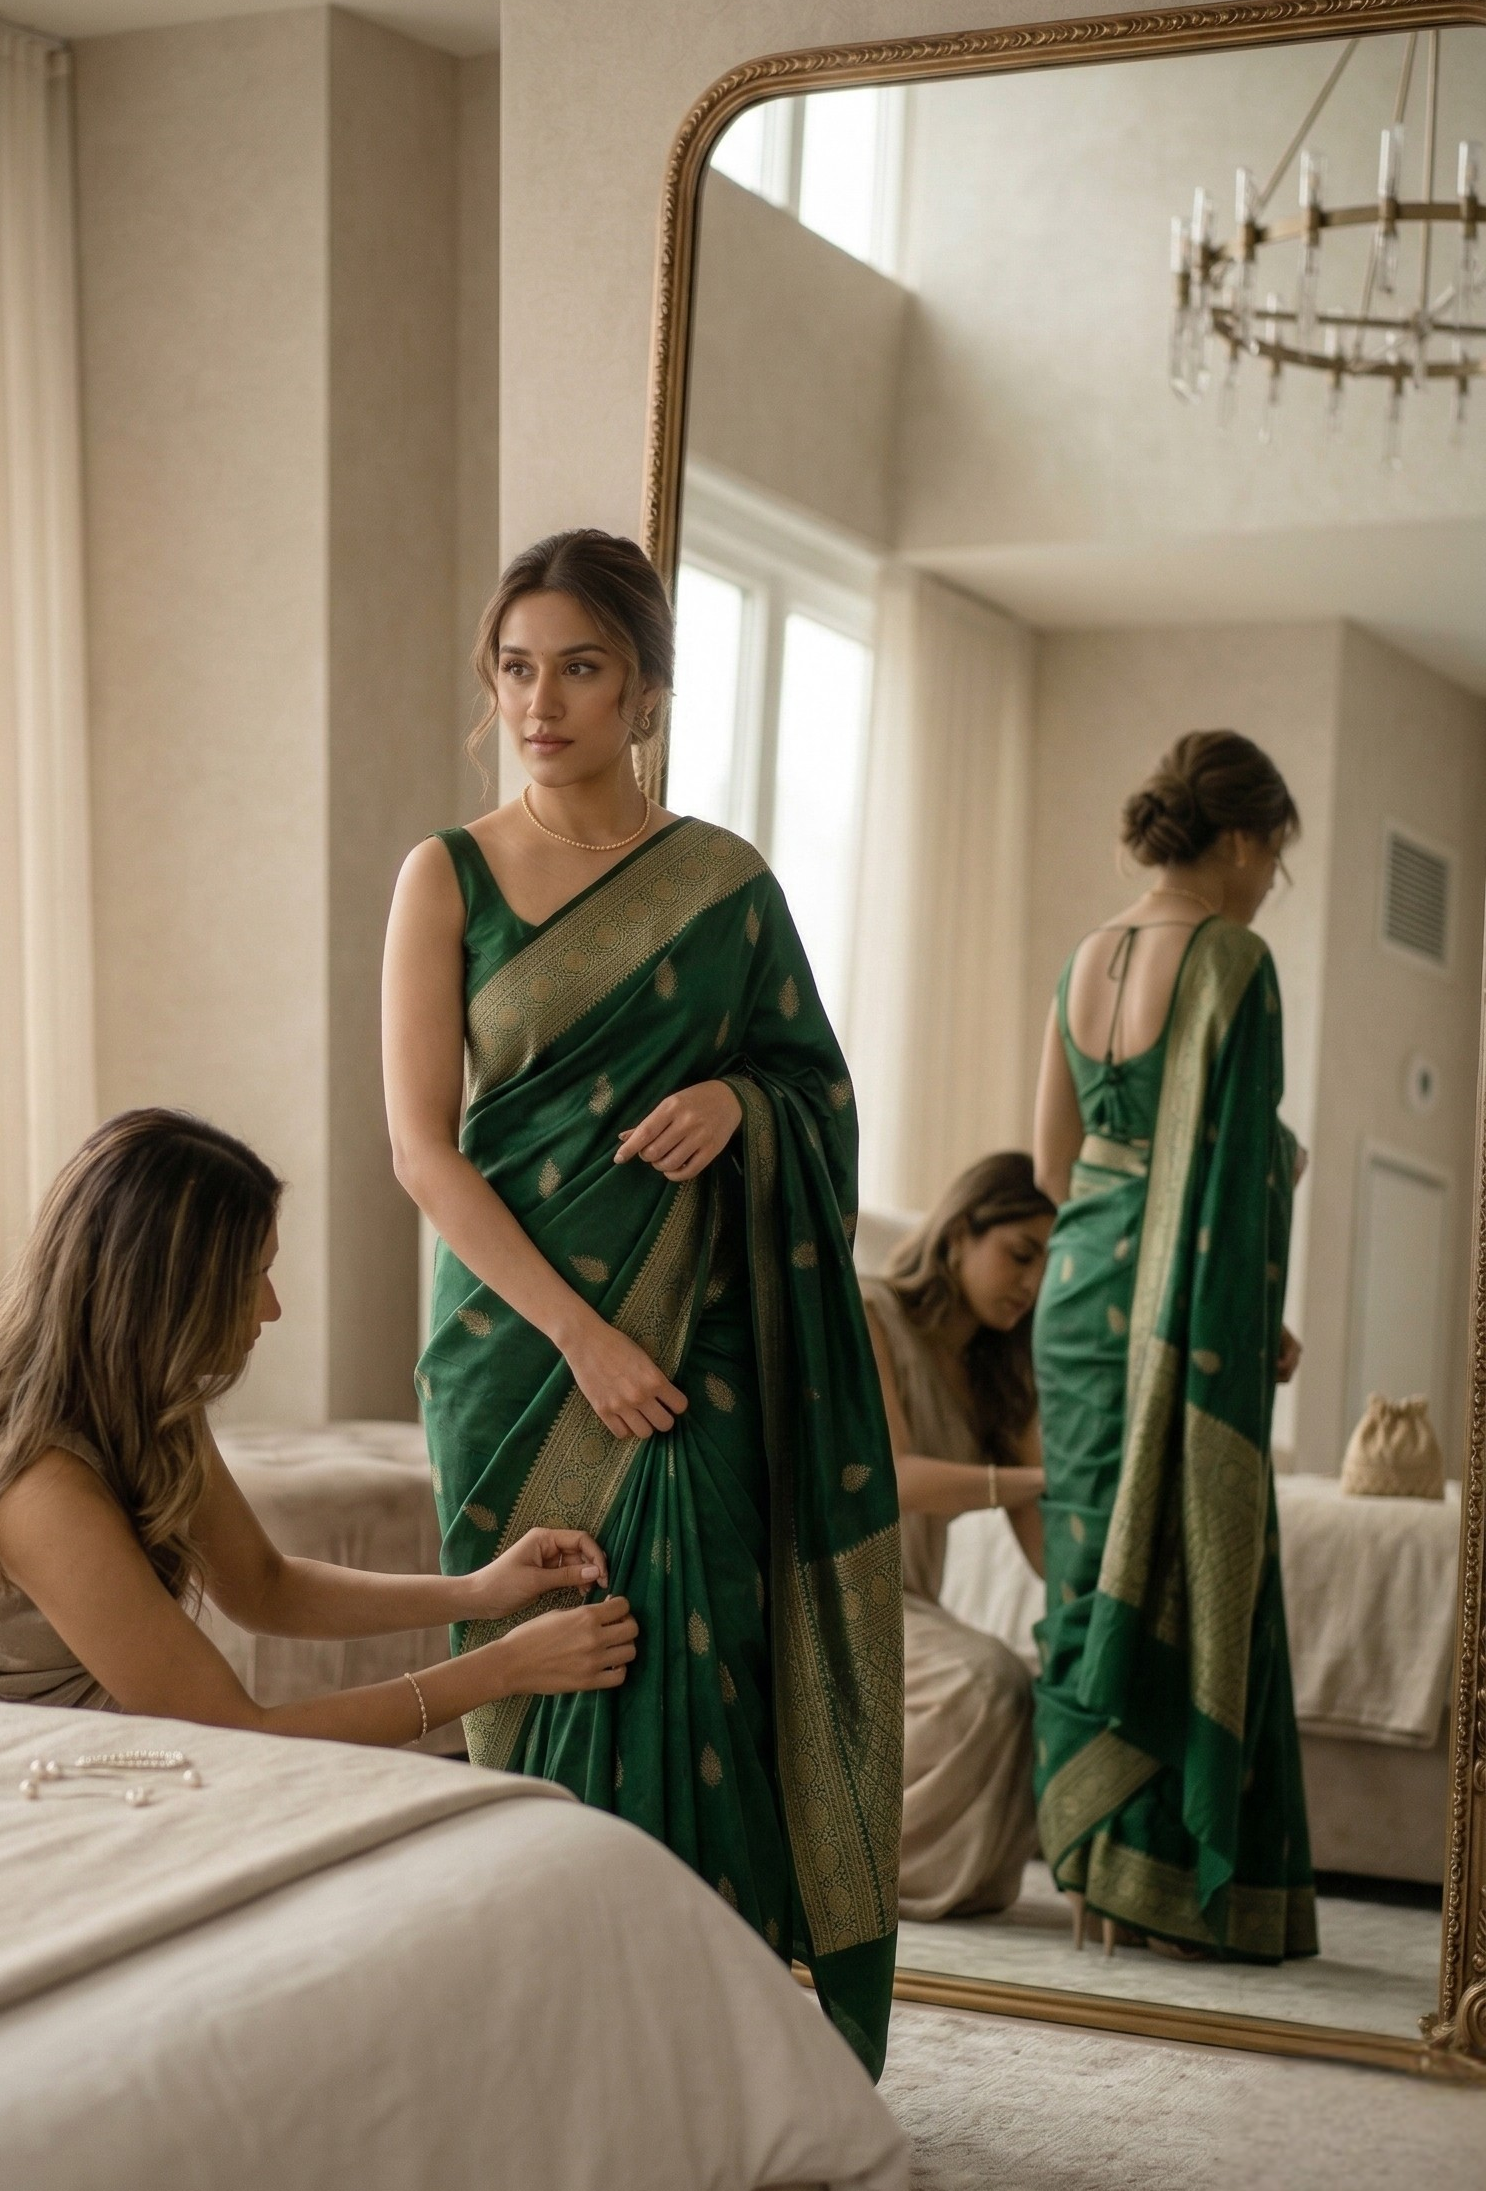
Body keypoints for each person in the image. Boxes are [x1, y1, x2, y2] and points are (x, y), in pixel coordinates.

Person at [382, 529, 902, 2075]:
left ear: (646, 692)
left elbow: (817, 1093)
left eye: (580, 669)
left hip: (698, 1357)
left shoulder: (725, 887)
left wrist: (743, 1104)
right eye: (515, 669)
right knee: (537, 1677)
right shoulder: (447, 875)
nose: (540, 703)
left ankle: (704, 2064)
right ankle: (547, 2055)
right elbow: (421, 1150)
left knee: (699, 1676)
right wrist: (581, 1335)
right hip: (518, 1353)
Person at [0, 1108, 635, 1740]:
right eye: (255, 1275)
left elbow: (265, 1587)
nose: (272, 1308)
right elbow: (235, 1730)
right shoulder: (36, 1488)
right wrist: (500, 1670)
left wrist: (479, 1593)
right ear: (167, 1292)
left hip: (16, 1756)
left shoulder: (145, 1404)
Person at [1029, 730, 1317, 1962]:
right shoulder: (1232, 962)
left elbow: (1050, 1166)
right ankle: (1174, 1889)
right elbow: (1236, 1178)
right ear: (1241, 841)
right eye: (1273, 863)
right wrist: (1230, 1314)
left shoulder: (1082, 958)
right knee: (1191, 1563)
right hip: (1178, 1319)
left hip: (1075, 1300)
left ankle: (1094, 1879)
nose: (1267, 889)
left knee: (1087, 1568)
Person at [857, 1154, 1054, 1919]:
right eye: (1020, 1254)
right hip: (838, 1592)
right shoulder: (870, 1311)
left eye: (1047, 1268)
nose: (1031, 1284)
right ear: (961, 1231)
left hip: (910, 1603)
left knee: (1030, 1685)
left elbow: (1047, 1545)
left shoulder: (1000, 1375)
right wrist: (1032, 1481)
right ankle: (840, 1871)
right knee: (988, 1681)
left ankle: (904, 1872)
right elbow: (894, 1477)